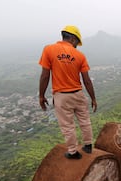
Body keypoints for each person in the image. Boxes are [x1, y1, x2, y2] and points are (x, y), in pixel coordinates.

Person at [38, 25, 97, 159]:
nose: (77, 46)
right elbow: (87, 80)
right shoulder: (79, 55)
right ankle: (88, 145)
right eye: (77, 43)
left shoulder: (49, 50)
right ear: (73, 39)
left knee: (67, 125)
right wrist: (93, 98)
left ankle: (72, 151)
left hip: (61, 96)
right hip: (78, 94)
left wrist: (41, 95)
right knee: (84, 120)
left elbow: (45, 76)